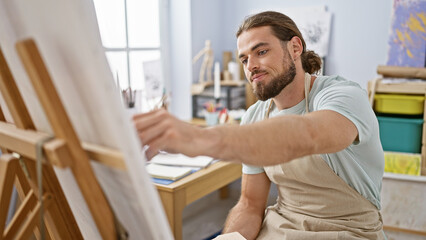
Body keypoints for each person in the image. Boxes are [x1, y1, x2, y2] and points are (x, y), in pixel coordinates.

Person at [134, 11, 385, 240]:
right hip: (282, 229)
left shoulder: (342, 96)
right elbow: (250, 205)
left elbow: (308, 134)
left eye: (261, 52)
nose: (251, 66)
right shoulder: (255, 116)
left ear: (295, 48)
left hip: (348, 232)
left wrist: (200, 139)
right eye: (244, 59)